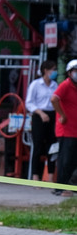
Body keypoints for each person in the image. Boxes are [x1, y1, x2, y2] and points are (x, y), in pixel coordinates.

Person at [25, 60, 58, 182]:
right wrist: (40, 113)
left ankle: (50, 176)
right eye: (53, 70)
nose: (54, 72)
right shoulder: (36, 84)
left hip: (52, 115)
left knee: (52, 146)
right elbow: (29, 102)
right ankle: (35, 176)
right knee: (38, 146)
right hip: (39, 116)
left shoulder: (55, 85)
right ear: (45, 70)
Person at [51, 59, 77, 197]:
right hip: (66, 130)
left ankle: (70, 186)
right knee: (65, 160)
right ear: (69, 73)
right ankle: (60, 188)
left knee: (73, 161)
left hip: (75, 129)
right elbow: (54, 99)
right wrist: (62, 114)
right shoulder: (66, 85)